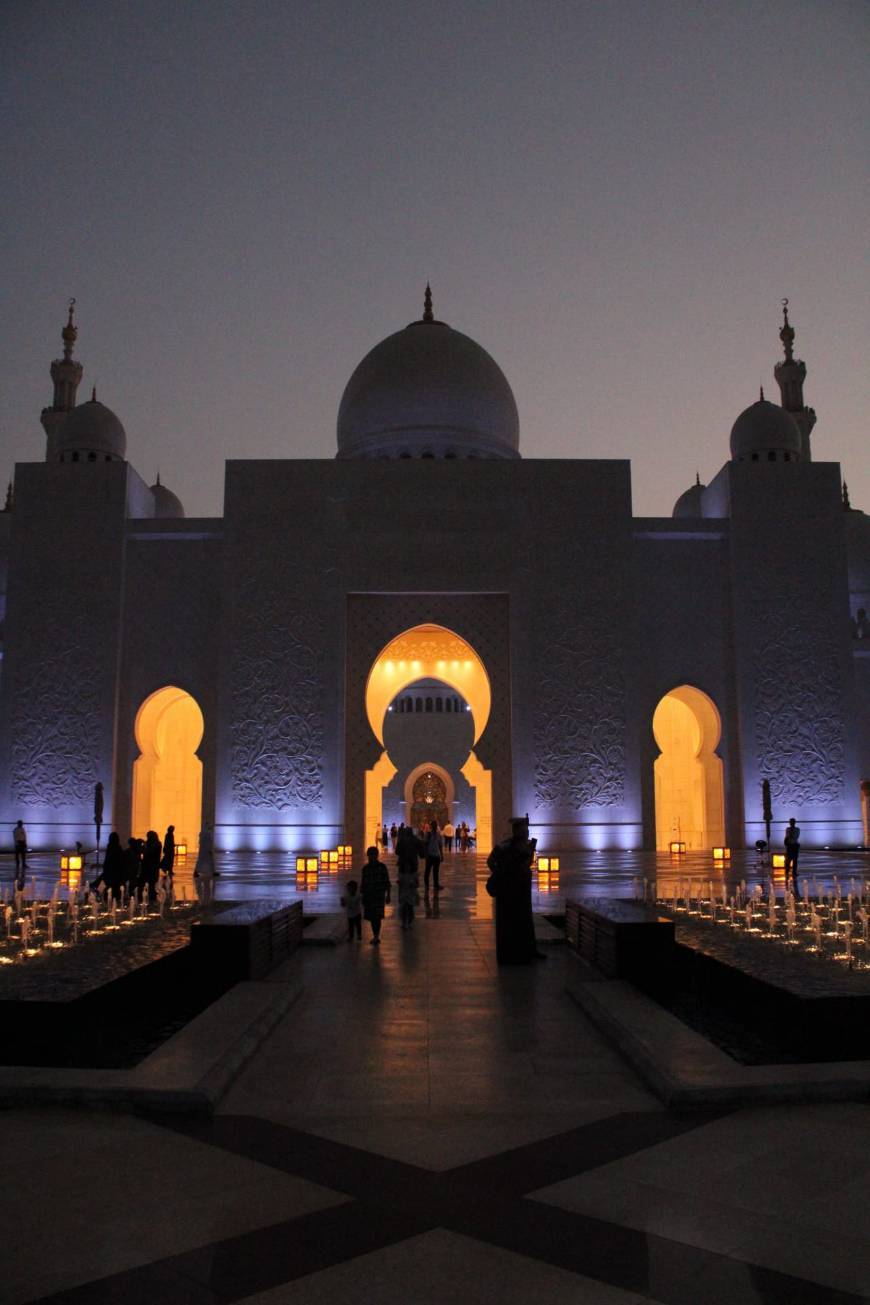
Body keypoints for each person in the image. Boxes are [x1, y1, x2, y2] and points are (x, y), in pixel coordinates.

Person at [486, 816, 546, 964]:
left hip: (522, 889)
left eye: (527, 830)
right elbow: (490, 861)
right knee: (512, 921)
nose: (526, 833)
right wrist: (502, 874)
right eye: (524, 830)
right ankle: (514, 952)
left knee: (525, 920)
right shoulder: (504, 847)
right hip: (510, 890)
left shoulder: (525, 846)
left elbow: (528, 863)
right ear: (517, 831)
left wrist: (530, 852)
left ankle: (529, 949)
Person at [360, 845, 391, 944]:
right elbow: (363, 883)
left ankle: (376, 935)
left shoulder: (382, 867)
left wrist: (388, 895)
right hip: (370, 896)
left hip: (378, 895)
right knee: (373, 917)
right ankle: (375, 935)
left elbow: (387, 882)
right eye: (370, 855)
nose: (371, 857)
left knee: (377, 917)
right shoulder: (366, 869)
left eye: (373, 855)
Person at [194, 823, 216, 906]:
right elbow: (207, 844)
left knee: (205, 884)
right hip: (205, 853)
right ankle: (205, 900)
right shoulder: (206, 834)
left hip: (205, 854)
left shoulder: (204, 834)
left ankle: (203, 900)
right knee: (206, 885)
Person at [100, 832, 125, 901]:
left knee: (109, 890)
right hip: (116, 873)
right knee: (115, 891)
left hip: (110, 873)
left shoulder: (110, 847)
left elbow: (107, 860)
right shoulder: (118, 848)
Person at [140, 829, 162, 901]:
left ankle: (151, 896)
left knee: (150, 882)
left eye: (148, 836)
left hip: (150, 866)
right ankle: (152, 896)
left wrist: (144, 846)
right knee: (152, 882)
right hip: (153, 866)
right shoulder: (157, 843)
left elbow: (148, 853)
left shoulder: (153, 844)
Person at [423, 820, 444, 893]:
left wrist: (441, 855)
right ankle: (426, 885)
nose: (435, 826)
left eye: (435, 825)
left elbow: (440, 845)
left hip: (436, 856)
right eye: (433, 825)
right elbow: (425, 845)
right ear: (431, 826)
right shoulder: (428, 834)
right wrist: (426, 855)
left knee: (436, 871)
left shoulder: (438, 835)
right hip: (430, 855)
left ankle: (436, 885)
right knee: (427, 871)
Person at [784, 817, 801, 897]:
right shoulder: (788, 829)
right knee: (788, 859)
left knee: (795, 859)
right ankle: (787, 871)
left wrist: (790, 835)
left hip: (794, 845)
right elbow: (787, 836)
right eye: (790, 822)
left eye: (792, 822)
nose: (791, 823)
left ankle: (794, 872)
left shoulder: (797, 829)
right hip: (790, 845)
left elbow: (795, 837)